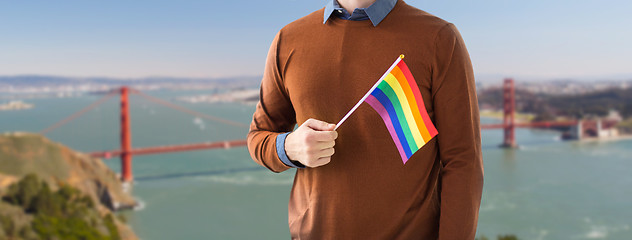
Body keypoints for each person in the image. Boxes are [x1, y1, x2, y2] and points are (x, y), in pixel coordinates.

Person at [246, 0, 483, 239]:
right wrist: (290, 147)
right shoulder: (288, 39)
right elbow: (258, 138)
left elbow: (463, 161)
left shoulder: (439, 38)